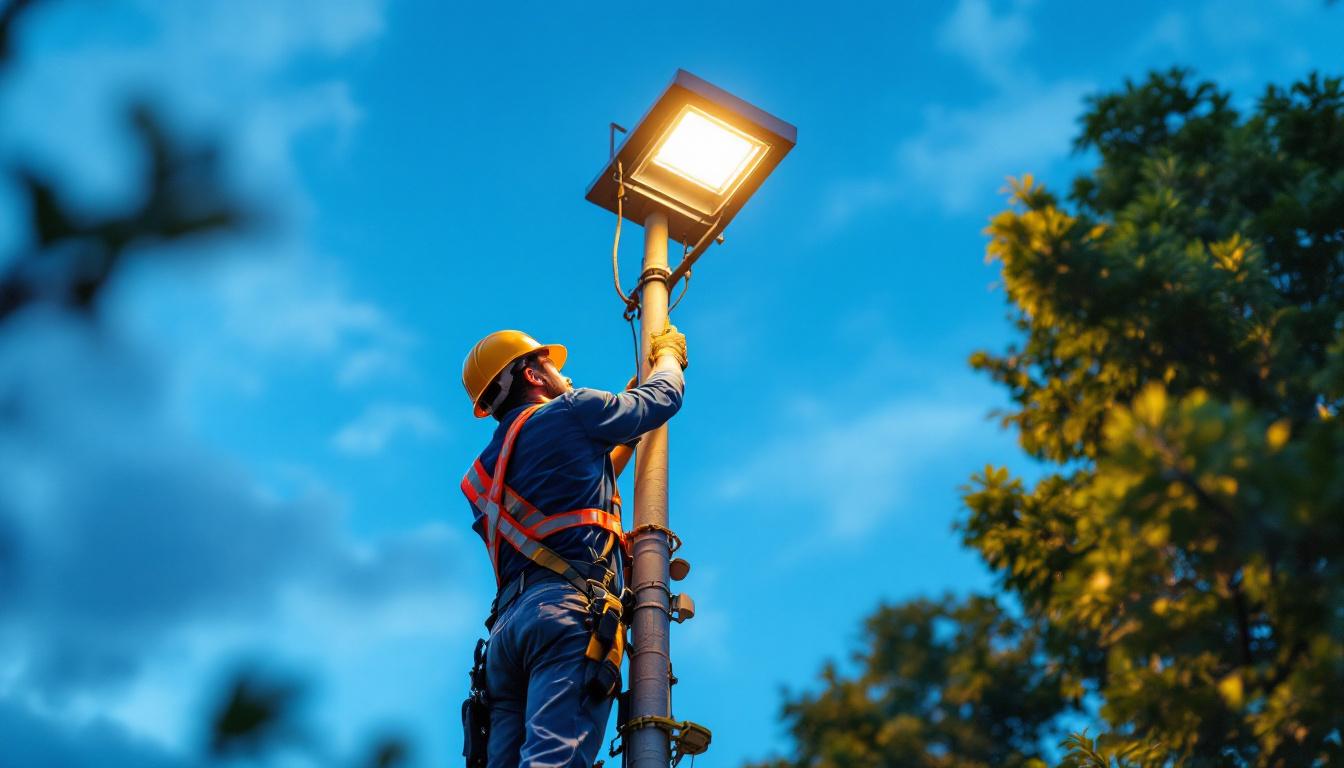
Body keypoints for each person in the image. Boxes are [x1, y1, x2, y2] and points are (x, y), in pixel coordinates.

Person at [459, 326, 688, 768]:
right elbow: (663, 399)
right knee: (552, 761)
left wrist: (610, 436)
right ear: (532, 375)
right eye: (551, 363)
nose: (562, 372)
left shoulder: (482, 474)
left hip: (507, 636)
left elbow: (569, 490)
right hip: (564, 615)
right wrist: (668, 359)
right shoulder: (573, 410)